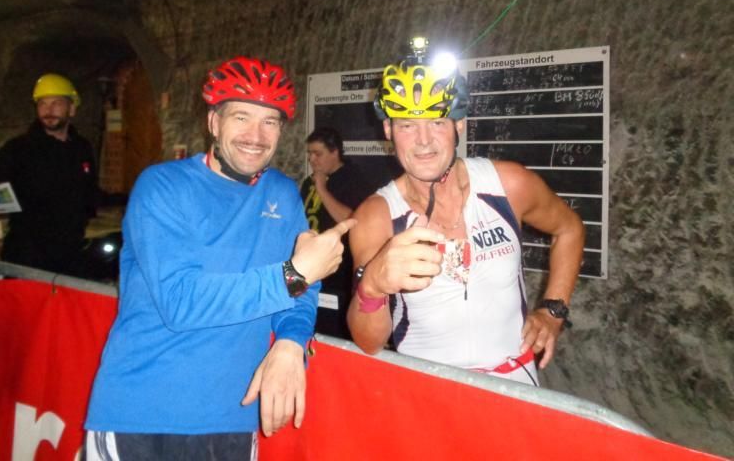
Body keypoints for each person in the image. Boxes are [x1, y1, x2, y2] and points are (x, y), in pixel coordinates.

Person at [84, 57, 356, 461]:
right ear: (213, 122)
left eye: (269, 122)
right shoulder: (162, 186)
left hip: (233, 414)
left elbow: (302, 289)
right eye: (241, 117)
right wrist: (294, 274)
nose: (255, 135)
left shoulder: (282, 194)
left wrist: (291, 342)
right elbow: (181, 303)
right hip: (144, 412)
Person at [347, 41, 585, 385]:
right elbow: (368, 342)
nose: (423, 141)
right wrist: (371, 288)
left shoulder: (508, 184)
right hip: (426, 393)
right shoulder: (376, 216)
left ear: (458, 124)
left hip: (514, 386)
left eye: (437, 122)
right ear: (388, 130)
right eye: (407, 125)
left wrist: (553, 311)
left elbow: (569, 228)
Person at [0, 73, 99, 276]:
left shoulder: (81, 148)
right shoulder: (19, 149)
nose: (48, 110)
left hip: (69, 254)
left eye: (56, 103)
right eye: (42, 104)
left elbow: (90, 193)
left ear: (72, 108)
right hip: (27, 256)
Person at [300, 127, 372, 339]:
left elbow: (351, 220)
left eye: (318, 153)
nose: (312, 159)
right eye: (310, 153)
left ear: (335, 152)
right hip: (310, 266)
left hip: (339, 272)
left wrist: (322, 189)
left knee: (333, 330)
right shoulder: (309, 182)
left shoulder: (353, 179)